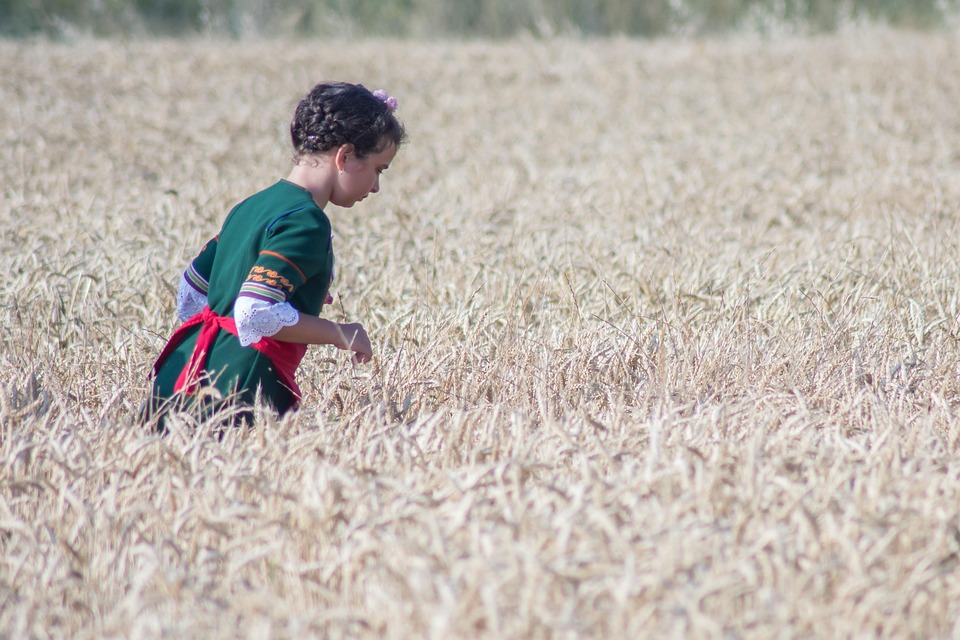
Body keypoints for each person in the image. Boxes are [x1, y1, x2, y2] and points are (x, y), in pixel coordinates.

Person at [148, 82, 406, 426]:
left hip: (177, 381)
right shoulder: (307, 222)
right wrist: (341, 332)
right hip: (237, 391)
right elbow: (255, 313)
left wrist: (294, 300)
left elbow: (191, 294)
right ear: (344, 157)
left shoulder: (251, 206)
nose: (376, 186)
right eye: (378, 169)